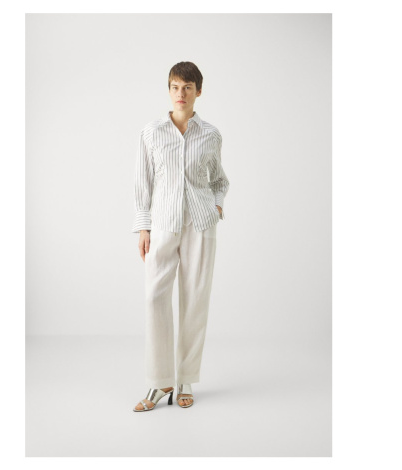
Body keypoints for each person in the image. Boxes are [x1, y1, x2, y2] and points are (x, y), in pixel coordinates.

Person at [132, 61, 230, 412]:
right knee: (154, 297)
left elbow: (219, 180)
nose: (181, 93)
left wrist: (216, 206)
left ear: (198, 91)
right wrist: (143, 227)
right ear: (169, 90)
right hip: (163, 223)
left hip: (200, 225)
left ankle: (186, 378)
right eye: (175, 87)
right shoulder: (151, 132)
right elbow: (142, 184)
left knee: (195, 300)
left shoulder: (211, 134)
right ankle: (160, 382)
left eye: (187, 87)